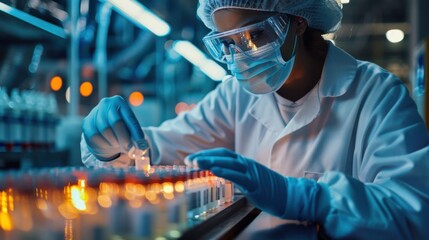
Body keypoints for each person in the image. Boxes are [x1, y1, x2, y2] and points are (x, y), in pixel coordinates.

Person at [81, 0, 429, 238]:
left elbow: (413, 217)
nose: (240, 57)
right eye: (228, 44)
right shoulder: (235, 96)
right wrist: (111, 145)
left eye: (254, 36)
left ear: (297, 21)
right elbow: (154, 155)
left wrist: (306, 199)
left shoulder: (376, 94)